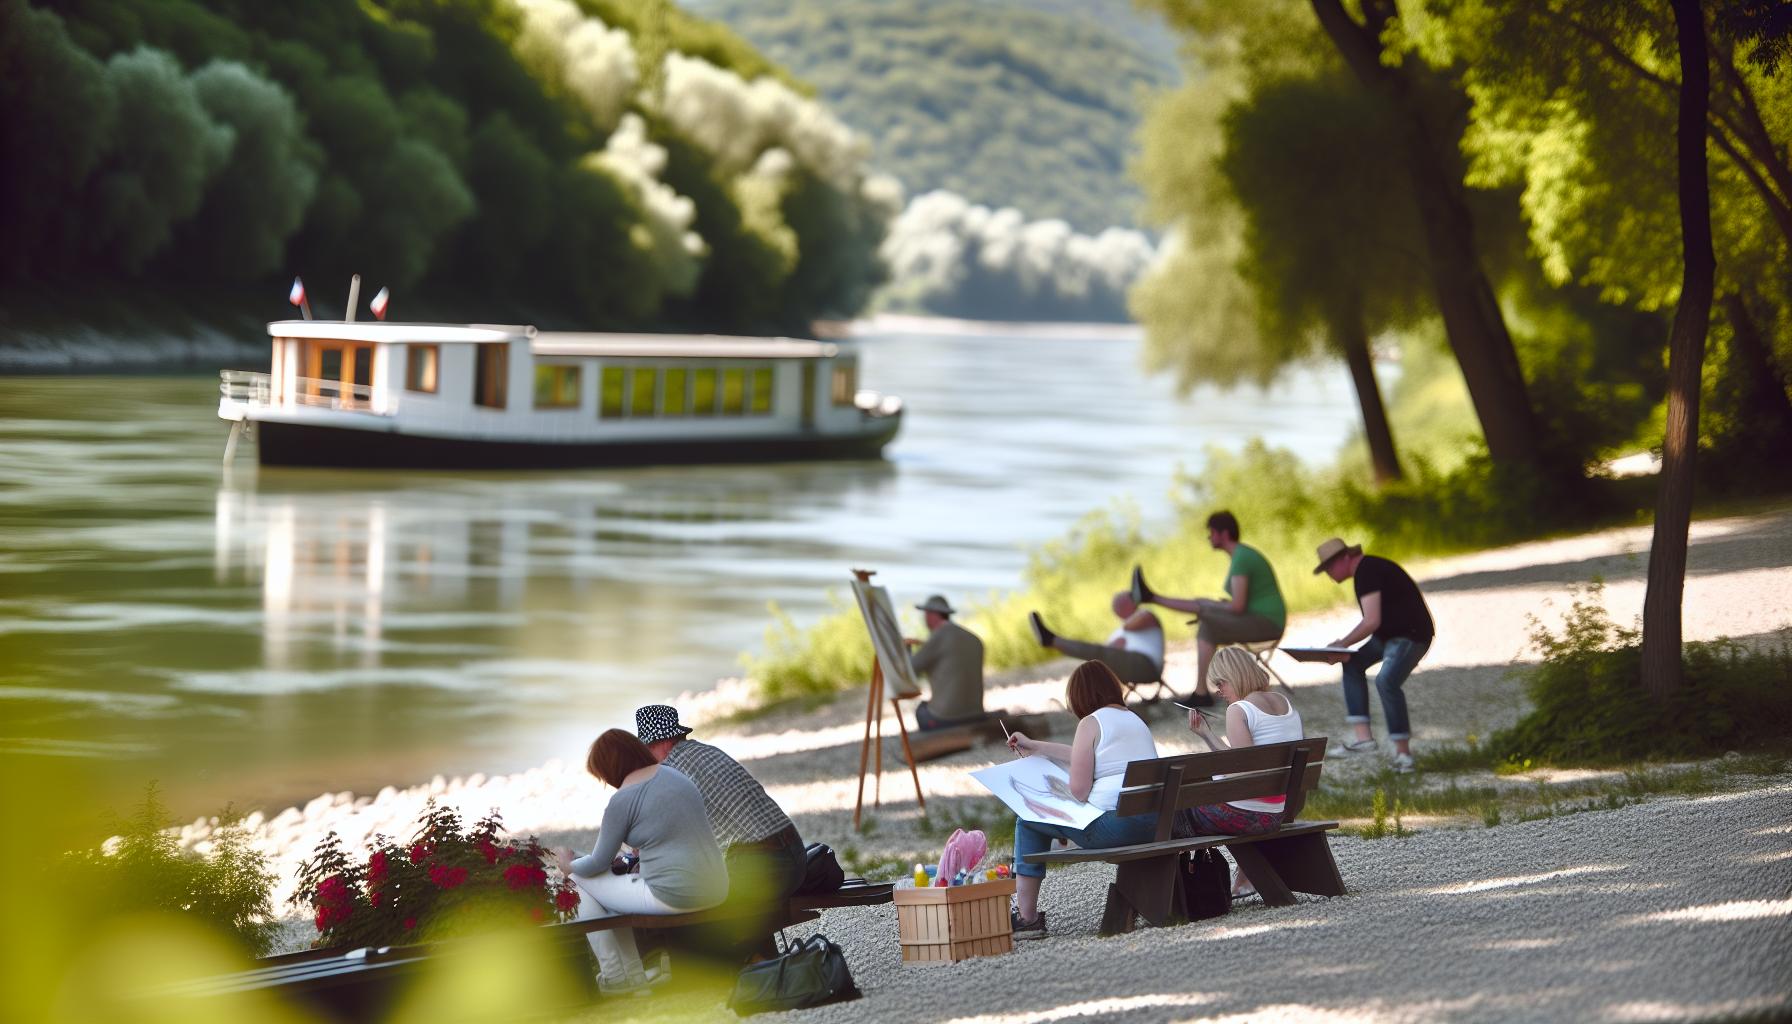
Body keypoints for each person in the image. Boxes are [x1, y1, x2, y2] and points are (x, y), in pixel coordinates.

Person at [553, 729, 729, 995]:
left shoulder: (623, 799)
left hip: (675, 895)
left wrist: (567, 865)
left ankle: (615, 977)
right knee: (608, 890)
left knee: (576, 880)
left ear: (609, 768)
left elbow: (598, 863)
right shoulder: (674, 776)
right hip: (717, 887)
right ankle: (634, 980)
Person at [1004, 661, 1159, 940]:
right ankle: (1027, 916)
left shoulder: (1091, 722)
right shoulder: (1134, 720)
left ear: (1080, 697)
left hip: (1116, 826)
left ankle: (1027, 919)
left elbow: (1079, 792)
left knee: (1027, 820)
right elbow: (1087, 755)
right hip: (1155, 822)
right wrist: (1037, 746)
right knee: (1045, 819)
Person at [634, 704, 806, 904]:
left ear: (663, 741)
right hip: (797, 858)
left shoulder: (668, 770)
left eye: (648, 748)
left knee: (681, 904)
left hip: (762, 868)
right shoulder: (707, 751)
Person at [1181, 646, 1305, 898]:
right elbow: (1243, 762)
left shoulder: (1239, 710)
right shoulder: (1285, 703)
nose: (1218, 690)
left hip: (1246, 814)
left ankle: (1182, 897)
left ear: (1235, 676)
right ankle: (1246, 876)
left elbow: (1242, 772)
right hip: (1278, 811)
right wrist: (1207, 734)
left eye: (1221, 682)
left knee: (1176, 813)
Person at [1133, 510, 1286, 706]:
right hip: (1260, 619)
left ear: (1223, 533)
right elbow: (1241, 604)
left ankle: (1151, 597)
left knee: (1205, 613)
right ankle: (1201, 691)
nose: (1208, 537)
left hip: (1267, 624)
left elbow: (1238, 606)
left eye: (1211, 532)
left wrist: (1210, 606)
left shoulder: (1241, 558)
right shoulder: (1241, 555)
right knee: (1206, 618)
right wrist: (1213, 605)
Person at [1314, 537, 1434, 774]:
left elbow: (1371, 621)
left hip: (1410, 636)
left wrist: (1342, 644)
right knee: (1352, 663)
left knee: (1386, 681)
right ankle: (1364, 739)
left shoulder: (1367, 571)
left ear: (1345, 558)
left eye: (1329, 567)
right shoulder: (1367, 570)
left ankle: (1403, 754)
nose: (1329, 573)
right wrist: (1344, 650)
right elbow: (1376, 623)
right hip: (1388, 636)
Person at [1025, 593, 1164, 686]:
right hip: (1128, 666)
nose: (1116, 606)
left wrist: (1117, 645)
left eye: (1121, 601)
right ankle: (1053, 642)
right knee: (1096, 661)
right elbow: (1112, 648)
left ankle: (1052, 640)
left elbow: (1129, 627)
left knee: (1098, 653)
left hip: (1147, 666)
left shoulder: (1146, 614)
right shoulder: (1119, 630)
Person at [907, 594, 986, 730]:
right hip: (977, 713)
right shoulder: (975, 639)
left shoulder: (939, 636)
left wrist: (906, 649)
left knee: (921, 710)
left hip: (948, 718)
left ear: (932, 615)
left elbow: (911, 670)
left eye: (925, 614)